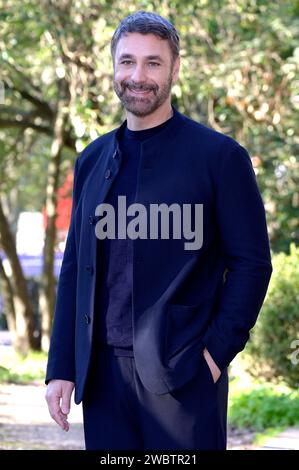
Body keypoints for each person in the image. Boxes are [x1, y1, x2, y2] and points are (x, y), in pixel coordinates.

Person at [45, 11, 272, 450]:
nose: (138, 76)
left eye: (153, 62)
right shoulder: (91, 161)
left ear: (175, 68)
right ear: (114, 67)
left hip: (182, 375)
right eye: (127, 61)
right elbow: (76, 267)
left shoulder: (220, 158)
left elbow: (252, 264)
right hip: (103, 379)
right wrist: (62, 366)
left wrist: (214, 354)